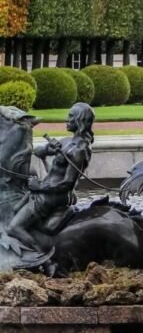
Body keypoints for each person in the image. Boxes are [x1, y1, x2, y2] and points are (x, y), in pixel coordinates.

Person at [3, 103, 95, 264]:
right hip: (45, 189)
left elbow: (68, 183)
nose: (67, 120)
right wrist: (46, 149)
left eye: (71, 117)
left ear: (80, 121)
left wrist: (39, 187)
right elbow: (38, 152)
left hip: (53, 196)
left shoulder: (79, 150)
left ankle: (46, 261)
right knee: (16, 209)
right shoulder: (66, 142)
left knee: (13, 228)